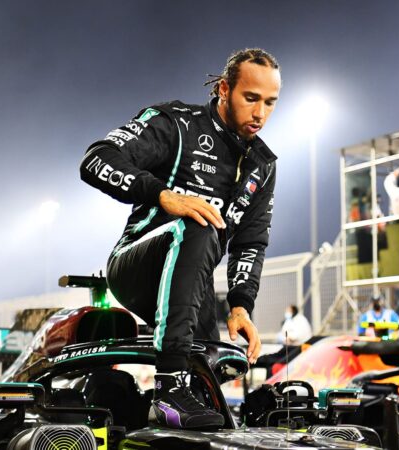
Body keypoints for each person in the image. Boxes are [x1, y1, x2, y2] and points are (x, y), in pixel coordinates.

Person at [79, 48, 280, 429]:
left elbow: (250, 241)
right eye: (250, 98)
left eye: (270, 103)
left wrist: (240, 306)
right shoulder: (177, 124)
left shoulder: (263, 165)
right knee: (201, 219)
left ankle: (158, 406)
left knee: (212, 399)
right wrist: (163, 196)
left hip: (193, 288)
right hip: (135, 265)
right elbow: (95, 159)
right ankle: (168, 386)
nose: (260, 113)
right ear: (224, 89)